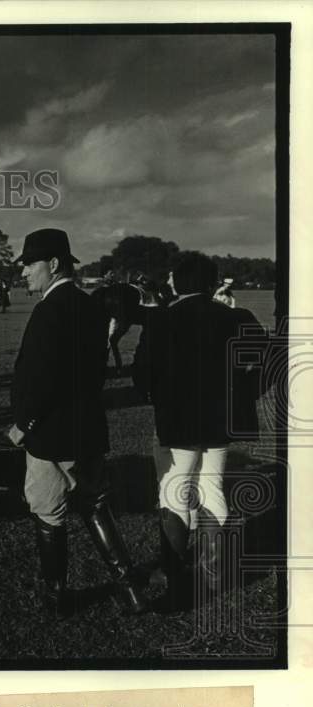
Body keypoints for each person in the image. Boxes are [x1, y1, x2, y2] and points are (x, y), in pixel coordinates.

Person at [9, 228, 146, 617]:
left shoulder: (48, 310)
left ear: (52, 265)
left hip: (49, 435)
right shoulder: (92, 307)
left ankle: (56, 598)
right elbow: (94, 373)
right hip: (88, 429)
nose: (24, 273)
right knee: (95, 506)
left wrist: (25, 423)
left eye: (29, 265)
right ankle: (131, 590)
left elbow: (41, 378)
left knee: (49, 513)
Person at [133, 253, 266, 610]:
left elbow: (140, 377)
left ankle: (175, 577)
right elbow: (266, 362)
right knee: (212, 489)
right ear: (212, 283)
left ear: (176, 281)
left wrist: (156, 394)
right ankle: (211, 575)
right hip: (221, 421)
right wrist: (244, 394)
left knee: (174, 494)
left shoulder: (160, 319)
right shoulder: (238, 317)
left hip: (177, 421)